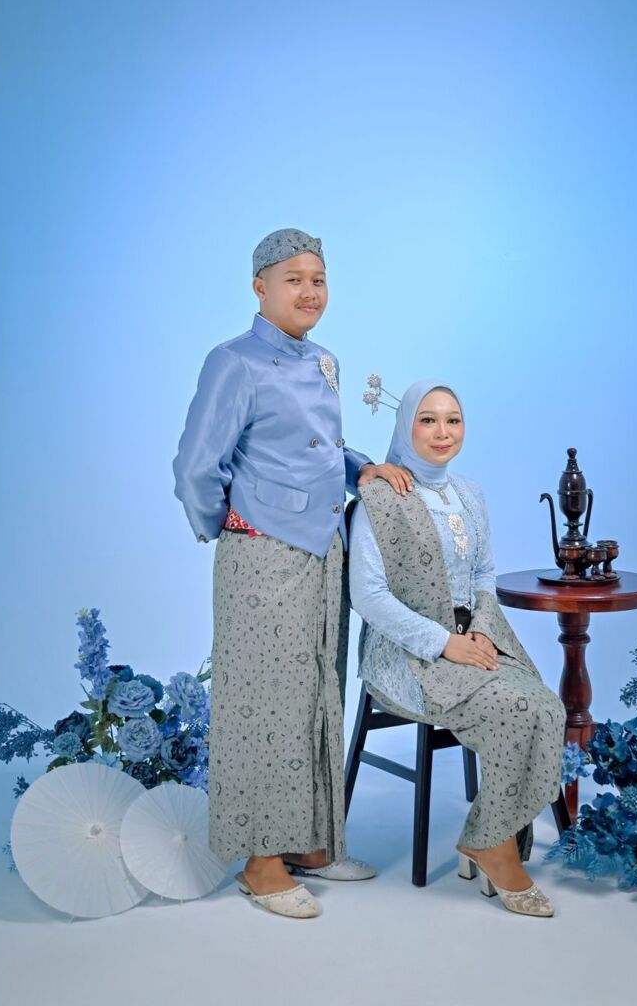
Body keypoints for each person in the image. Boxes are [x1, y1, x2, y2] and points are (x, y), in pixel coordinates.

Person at [173, 228, 412, 919]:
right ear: (260, 288)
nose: (309, 292)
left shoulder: (324, 360)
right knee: (264, 705)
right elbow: (196, 466)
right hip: (264, 556)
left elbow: (322, 448)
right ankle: (261, 861)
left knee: (316, 695)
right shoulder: (233, 361)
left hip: (323, 550)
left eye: (318, 279)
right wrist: (229, 524)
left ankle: (309, 841)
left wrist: (362, 469)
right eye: (294, 280)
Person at [349, 378, 566, 917]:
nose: (442, 432)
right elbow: (368, 597)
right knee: (517, 708)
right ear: (406, 427)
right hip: (407, 655)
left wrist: (482, 632)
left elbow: (484, 573)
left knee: (546, 707)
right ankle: (496, 849)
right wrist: (445, 643)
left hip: (473, 639)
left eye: (453, 419)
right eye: (427, 420)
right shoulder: (379, 498)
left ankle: (486, 835)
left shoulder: (469, 493)